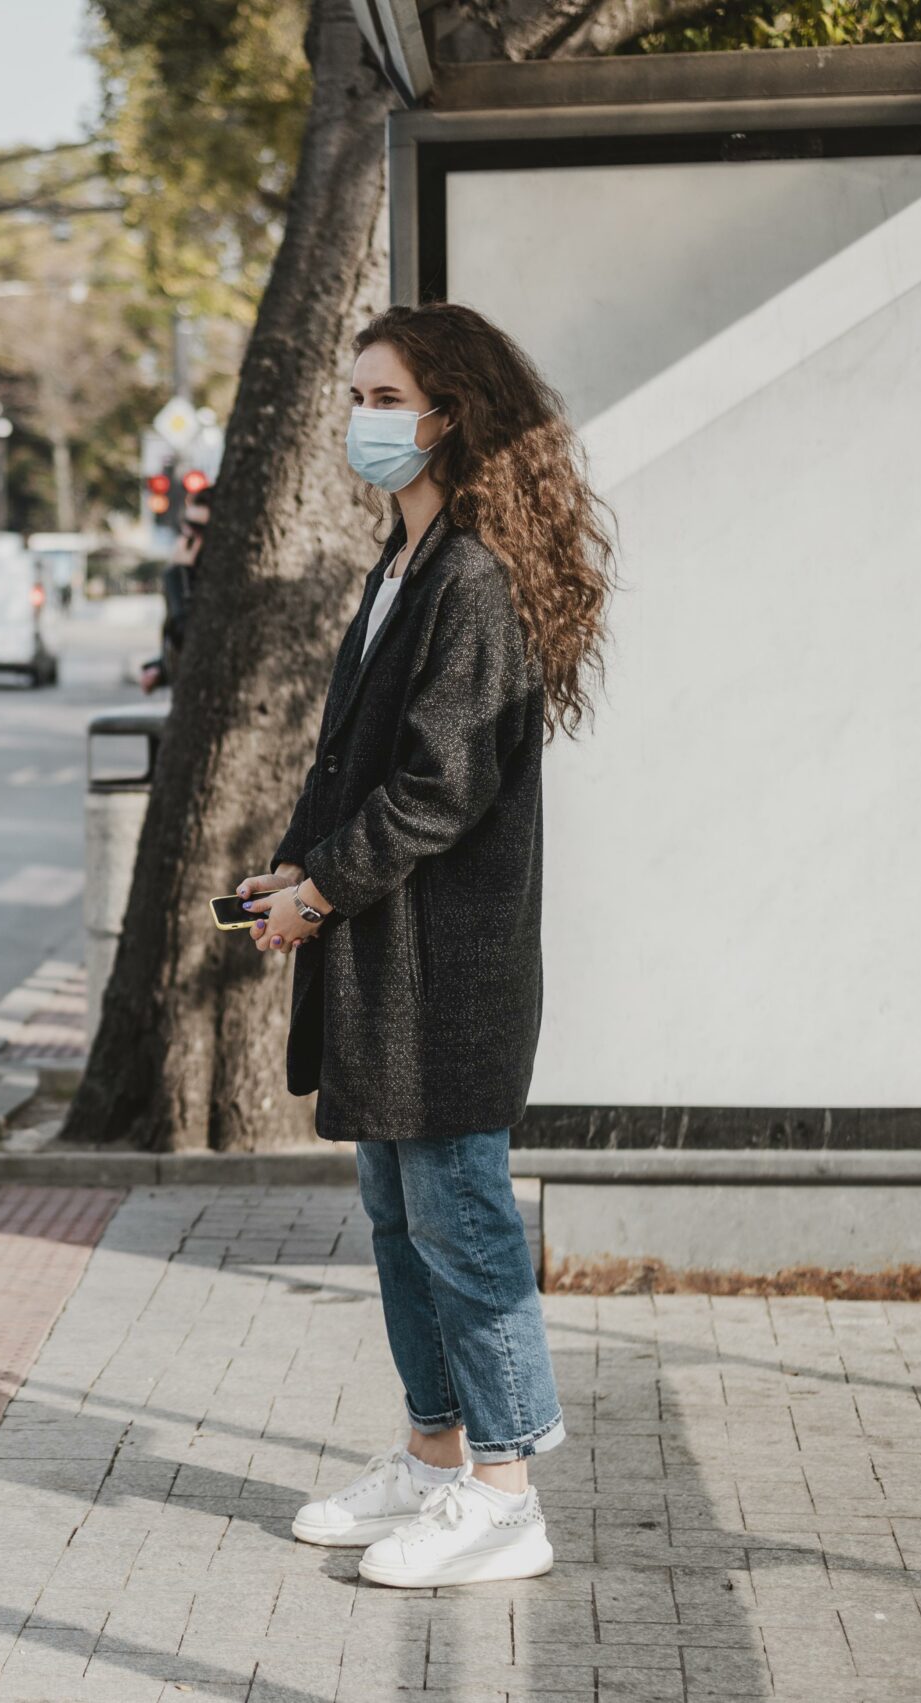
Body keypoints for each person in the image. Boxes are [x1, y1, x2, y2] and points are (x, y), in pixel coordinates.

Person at [238, 303, 611, 1589]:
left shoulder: (473, 578)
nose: (362, 419)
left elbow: (440, 787)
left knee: (462, 1217)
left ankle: (505, 1492)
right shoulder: (399, 565)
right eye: (358, 395)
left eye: (385, 397)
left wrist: (320, 893)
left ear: (449, 413)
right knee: (400, 1214)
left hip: (446, 968)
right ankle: (432, 1455)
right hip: (383, 958)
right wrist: (293, 864)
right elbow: (353, 761)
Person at [141, 484, 210, 693]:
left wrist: (178, 577)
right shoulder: (188, 576)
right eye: (186, 526)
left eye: (197, 530)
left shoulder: (192, 580)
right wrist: (160, 668)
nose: (186, 539)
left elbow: (189, 636)